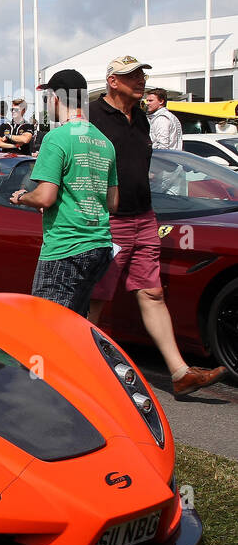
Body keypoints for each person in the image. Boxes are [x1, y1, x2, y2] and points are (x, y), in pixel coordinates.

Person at [87, 55, 225, 397]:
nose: (140, 81)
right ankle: (82, 376)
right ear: (112, 82)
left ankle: (179, 373)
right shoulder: (91, 117)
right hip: (109, 220)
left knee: (152, 292)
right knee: (96, 300)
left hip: (144, 217)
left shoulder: (142, 119)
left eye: (141, 75)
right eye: (131, 76)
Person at [9, 70, 117, 316]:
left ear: (55, 99)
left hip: (65, 247)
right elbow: (112, 203)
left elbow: (45, 196)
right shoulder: (104, 142)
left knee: (49, 326)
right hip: (99, 245)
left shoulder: (56, 137)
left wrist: (22, 197)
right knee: (76, 323)